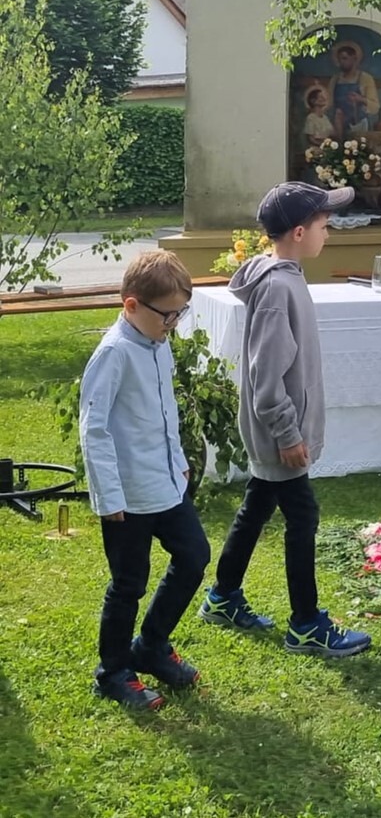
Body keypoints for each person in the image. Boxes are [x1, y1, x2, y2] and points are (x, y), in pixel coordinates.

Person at [199, 181, 372, 659]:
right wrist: (288, 432)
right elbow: (265, 375)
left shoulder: (287, 277)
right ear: (299, 232)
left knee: (257, 506)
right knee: (303, 516)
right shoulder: (278, 287)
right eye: (323, 225)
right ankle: (306, 624)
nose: (328, 233)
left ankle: (223, 596)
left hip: (278, 433)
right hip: (279, 434)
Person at [81, 250, 210, 711]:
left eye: (180, 313)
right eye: (167, 314)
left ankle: (151, 645)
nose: (173, 323)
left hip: (165, 483)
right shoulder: (114, 353)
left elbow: (164, 412)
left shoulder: (158, 344)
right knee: (128, 583)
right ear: (131, 305)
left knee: (194, 556)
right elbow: (94, 429)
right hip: (127, 496)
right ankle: (114, 672)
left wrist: (178, 460)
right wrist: (107, 495)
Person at [328, 41, 380, 137]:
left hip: (360, 126)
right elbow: (328, 104)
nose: (341, 62)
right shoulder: (335, 80)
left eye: (345, 58)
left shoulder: (365, 78)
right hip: (339, 125)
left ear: (354, 58)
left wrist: (360, 99)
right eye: (339, 59)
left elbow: (375, 106)